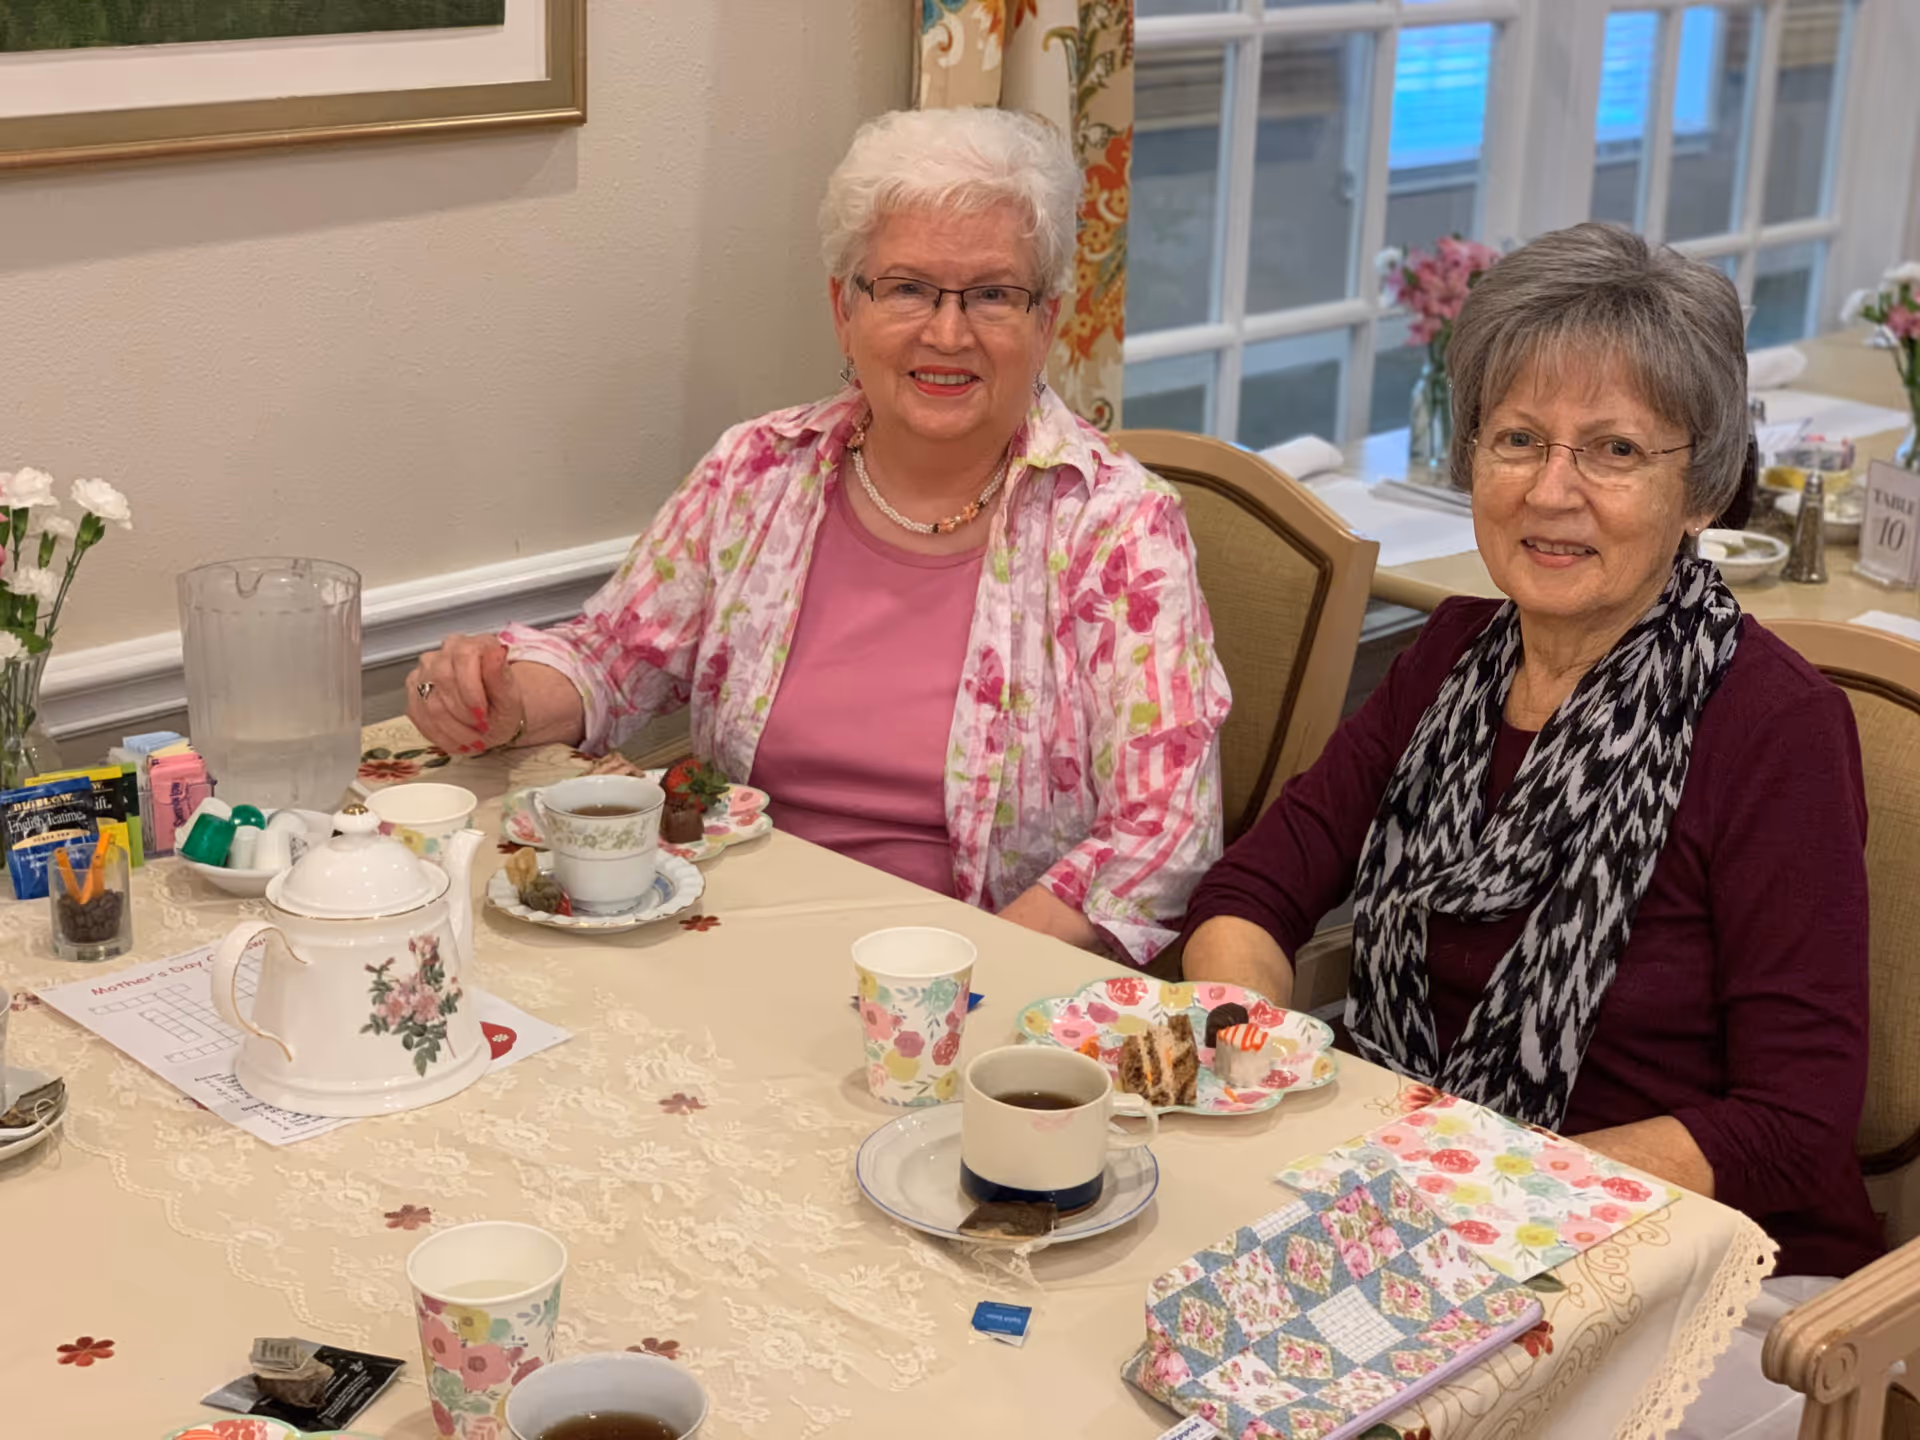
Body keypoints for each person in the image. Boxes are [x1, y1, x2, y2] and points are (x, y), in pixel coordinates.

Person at [1182, 223, 1879, 1434]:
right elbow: (1253, 894)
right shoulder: (1448, 659)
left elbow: (1795, 1119)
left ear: (1702, 488)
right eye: (1517, 440)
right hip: (1421, 1212)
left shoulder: (1776, 727)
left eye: (1615, 450)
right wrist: (1252, 1051)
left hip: (1705, 1270)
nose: (1552, 492)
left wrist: (1490, 1185)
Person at [406, 107, 1231, 966]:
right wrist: (500, 698)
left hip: (960, 974)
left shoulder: (1118, 527)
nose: (948, 333)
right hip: (725, 935)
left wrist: (970, 968)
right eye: (907, 288)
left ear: (1047, 322)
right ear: (844, 309)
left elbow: (1163, 830)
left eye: (993, 295)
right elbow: (615, 658)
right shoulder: (758, 470)